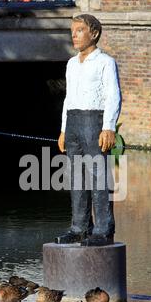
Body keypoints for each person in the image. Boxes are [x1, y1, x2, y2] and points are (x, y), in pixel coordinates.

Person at [55, 14, 122, 247]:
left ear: (93, 33)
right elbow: (68, 98)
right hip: (74, 120)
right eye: (72, 30)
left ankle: (103, 229)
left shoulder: (105, 62)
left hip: (94, 119)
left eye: (80, 30)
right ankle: (80, 227)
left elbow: (113, 95)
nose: (74, 35)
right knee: (76, 177)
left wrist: (109, 127)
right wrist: (64, 130)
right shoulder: (72, 64)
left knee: (99, 176)